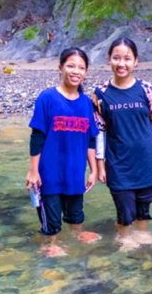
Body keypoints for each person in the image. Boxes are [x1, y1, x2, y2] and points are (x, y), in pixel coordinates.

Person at [25, 47, 101, 257]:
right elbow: (37, 136)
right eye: (70, 66)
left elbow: (91, 140)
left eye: (81, 68)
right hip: (48, 174)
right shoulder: (47, 98)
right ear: (60, 68)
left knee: (76, 214)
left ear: (86, 72)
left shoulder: (86, 103)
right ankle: (50, 243)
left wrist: (93, 170)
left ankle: (78, 233)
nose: (75, 71)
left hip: (75, 172)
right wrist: (33, 171)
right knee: (51, 219)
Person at [91, 37, 152, 251]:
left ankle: (143, 233)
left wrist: (142, 140)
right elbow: (99, 131)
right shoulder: (101, 94)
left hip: (146, 159)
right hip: (118, 162)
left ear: (136, 62)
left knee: (145, 204)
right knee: (125, 210)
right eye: (116, 58)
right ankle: (123, 236)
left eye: (127, 58)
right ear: (109, 60)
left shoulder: (147, 89)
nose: (121, 63)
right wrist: (100, 164)